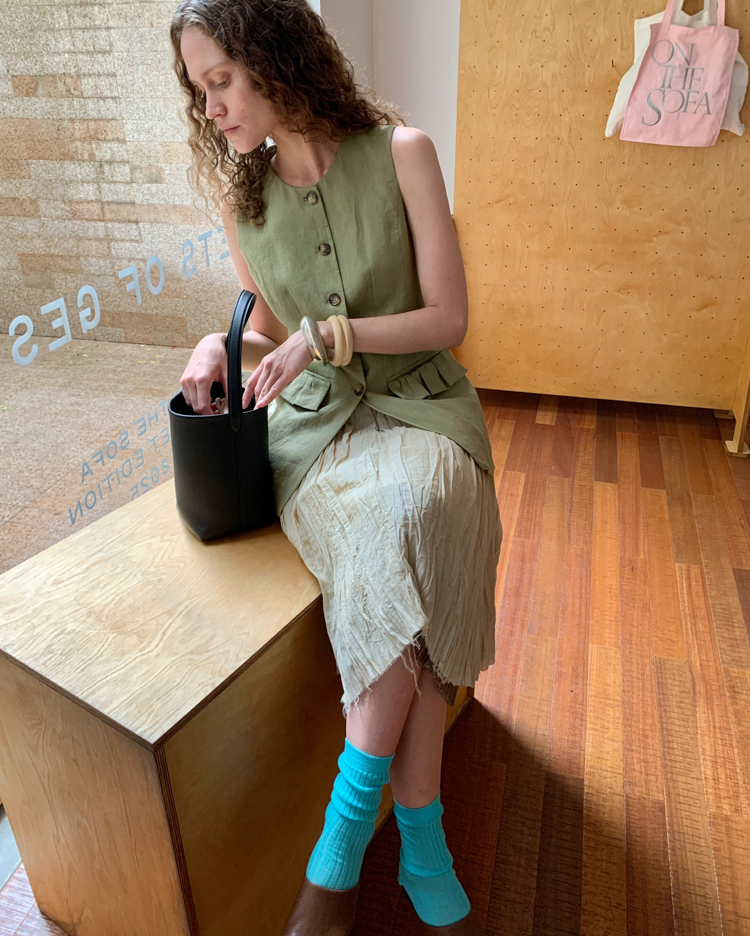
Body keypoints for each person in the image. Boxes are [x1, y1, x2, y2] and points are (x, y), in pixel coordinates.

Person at [171, 2, 503, 933]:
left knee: (419, 510)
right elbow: (268, 325)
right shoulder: (242, 202)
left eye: (221, 82)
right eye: (199, 91)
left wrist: (329, 337)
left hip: (425, 403)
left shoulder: (404, 152)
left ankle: (343, 846)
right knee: (394, 539)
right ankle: (421, 840)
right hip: (316, 434)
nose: (211, 109)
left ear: (274, 58)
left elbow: (447, 318)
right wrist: (216, 342)